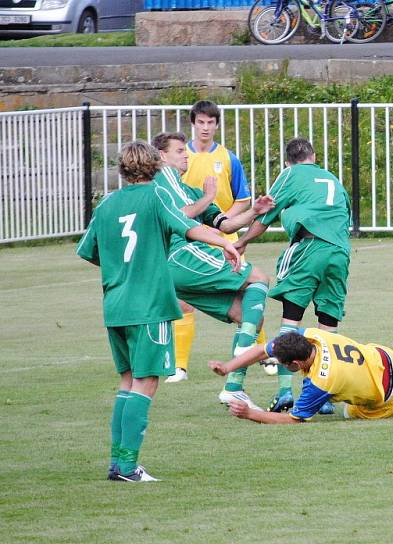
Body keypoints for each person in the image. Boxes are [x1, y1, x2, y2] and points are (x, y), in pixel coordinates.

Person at [76, 141, 241, 482]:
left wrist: (121, 267)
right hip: (149, 304)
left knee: (127, 381)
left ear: (122, 169)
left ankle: (117, 463)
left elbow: (89, 250)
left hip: (115, 306)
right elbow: (188, 227)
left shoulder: (107, 204)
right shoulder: (156, 196)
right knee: (147, 380)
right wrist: (224, 241)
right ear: (155, 167)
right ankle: (127, 467)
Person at [152, 132, 275, 408]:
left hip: (178, 272)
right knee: (259, 278)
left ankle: (234, 387)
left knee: (250, 316)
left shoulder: (188, 189)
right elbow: (179, 216)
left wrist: (254, 210)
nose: (186, 155)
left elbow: (227, 225)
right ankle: (229, 379)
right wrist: (209, 196)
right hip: (181, 255)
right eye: (180, 150)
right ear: (162, 156)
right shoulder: (163, 179)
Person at [235, 137, 351, 415]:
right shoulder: (331, 177)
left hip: (309, 246)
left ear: (288, 162)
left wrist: (242, 241)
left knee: (291, 321)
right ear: (314, 156)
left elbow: (266, 214)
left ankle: (286, 392)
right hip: (340, 251)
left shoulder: (290, 174)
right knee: (328, 325)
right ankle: (322, 395)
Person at [167, 99, 264, 382]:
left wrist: (222, 223)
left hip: (224, 238)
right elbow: (179, 209)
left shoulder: (228, 158)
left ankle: (263, 355)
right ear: (193, 124)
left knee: (247, 298)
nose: (206, 127)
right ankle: (180, 366)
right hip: (189, 242)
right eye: (201, 122)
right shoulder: (181, 160)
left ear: (217, 125)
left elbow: (242, 198)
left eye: (211, 122)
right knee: (184, 304)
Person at [208, 329, 393, 423]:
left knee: (355, 413)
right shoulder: (312, 335)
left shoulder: (319, 382)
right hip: (385, 355)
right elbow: (264, 349)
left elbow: (294, 420)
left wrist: (251, 413)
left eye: (283, 365)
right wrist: (228, 367)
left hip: (389, 388)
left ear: (295, 363)